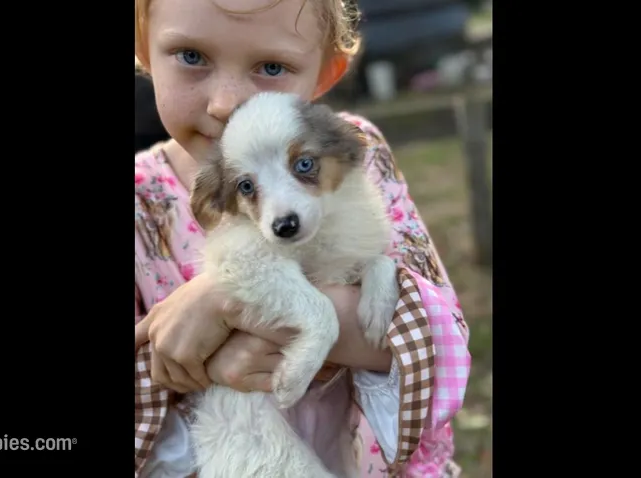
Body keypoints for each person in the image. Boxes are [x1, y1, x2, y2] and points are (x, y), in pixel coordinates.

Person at [133, 1, 471, 477]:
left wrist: (223, 301)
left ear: (327, 71)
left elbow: (443, 343)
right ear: (142, 48)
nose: (227, 103)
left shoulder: (358, 151)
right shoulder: (142, 204)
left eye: (272, 66)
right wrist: (201, 361)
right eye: (191, 56)